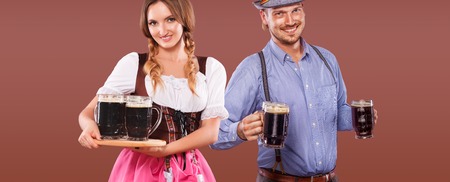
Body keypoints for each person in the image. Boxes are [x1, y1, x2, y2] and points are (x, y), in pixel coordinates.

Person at [210, 0, 378, 181]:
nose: (290, 21)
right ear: (264, 17)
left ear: (303, 12)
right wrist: (240, 130)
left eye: (295, 10)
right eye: (279, 13)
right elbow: (214, 134)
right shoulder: (253, 68)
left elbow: (337, 113)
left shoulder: (327, 60)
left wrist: (357, 117)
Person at [77, 0, 228, 181]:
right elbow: (87, 113)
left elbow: (211, 133)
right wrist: (88, 126)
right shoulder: (133, 63)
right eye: (153, 23)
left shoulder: (211, 68)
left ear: (184, 19)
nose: (162, 31)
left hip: (190, 169)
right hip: (139, 168)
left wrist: (165, 150)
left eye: (170, 19)